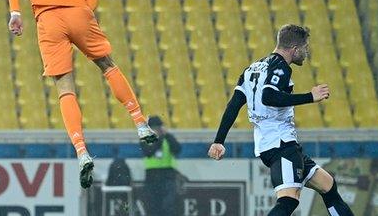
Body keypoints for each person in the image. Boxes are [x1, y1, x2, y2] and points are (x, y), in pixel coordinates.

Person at [5, 0, 158, 189]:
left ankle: (81, 151)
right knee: (107, 65)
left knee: (64, 87)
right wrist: (83, 18)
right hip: (77, 12)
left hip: (48, 20)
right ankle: (140, 123)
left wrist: (16, 12)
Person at [208, 24, 354, 216]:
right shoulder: (281, 67)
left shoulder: (252, 69)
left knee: (327, 185)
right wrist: (310, 97)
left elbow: (234, 105)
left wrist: (219, 140)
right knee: (288, 201)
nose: (306, 52)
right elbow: (269, 96)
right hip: (281, 144)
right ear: (295, 49)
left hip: (271, 145)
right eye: (305, 48)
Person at [140, 116, 182, 216]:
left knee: (168, 207)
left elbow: (177, 149)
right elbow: (149, 152)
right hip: (152, 177)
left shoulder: (168, 138)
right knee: (153, 207)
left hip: (167, 176)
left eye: (158, 127)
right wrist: (160, 138)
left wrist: (167, 136)